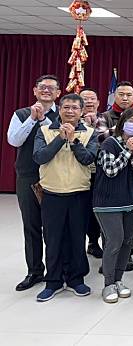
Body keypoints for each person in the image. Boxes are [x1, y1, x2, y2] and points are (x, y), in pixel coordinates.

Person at [33, 93, 98, 301]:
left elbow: (88, 159)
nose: (70, 112)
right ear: (59, 109)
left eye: (75, 108)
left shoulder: (90, 133)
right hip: (52, 194)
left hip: (79, 194)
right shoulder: (45, 131)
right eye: (66, 107)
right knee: (53, 239)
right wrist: (61, 138)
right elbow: (39, 157)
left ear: (81, 112)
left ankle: (76, 279)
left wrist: (74, 140)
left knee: (77, 238)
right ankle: (53, 281)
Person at [7, 74, 60, 291]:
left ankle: (56, 271)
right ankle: (34, 271)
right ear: (35, 91)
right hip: (28, 176)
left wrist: (43, 120)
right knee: (31, 225)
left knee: (55, 227)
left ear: (58, 93)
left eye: (51, 88)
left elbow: (56, 135)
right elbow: (14, 140)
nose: (46, 90)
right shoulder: (20, 114)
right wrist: (32, 119)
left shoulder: (64, 113)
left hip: (56, 176)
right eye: (42, 87)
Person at [93, 107, 133, 303]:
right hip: (107, 202)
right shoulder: (109, 143)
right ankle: (108, 284)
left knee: (127, 242)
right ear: (123, 122)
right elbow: (111, 170)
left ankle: (118, 280)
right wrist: (127, 151)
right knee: (114, 240)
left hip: (130, 202)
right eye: (132, 120)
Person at [80, 88, 104, 260]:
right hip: (79, 173)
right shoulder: (72, 119)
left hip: (101, 173)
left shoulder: (105, 118)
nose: (89, 101)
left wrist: (94, 125)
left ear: (98, 102)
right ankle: (87, 243)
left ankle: (96, 243)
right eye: (85, 98)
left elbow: (109, 138)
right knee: (83, 210)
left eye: (92, 98)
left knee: (98, 209)